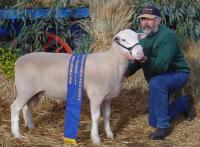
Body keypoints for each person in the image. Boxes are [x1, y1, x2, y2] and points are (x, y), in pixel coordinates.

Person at [127, 5, 196, 140]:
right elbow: (135, 63)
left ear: (158, 21)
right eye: (142, 19)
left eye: (150, 19)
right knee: (153, 121)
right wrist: (125, 72)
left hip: (177, 74)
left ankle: (164, 127)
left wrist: (143, 59)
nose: (145, 23)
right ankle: (184, 103)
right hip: (157, 80)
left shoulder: (168, 36)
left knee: (157, 83)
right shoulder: (140, 37)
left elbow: (162, 65)